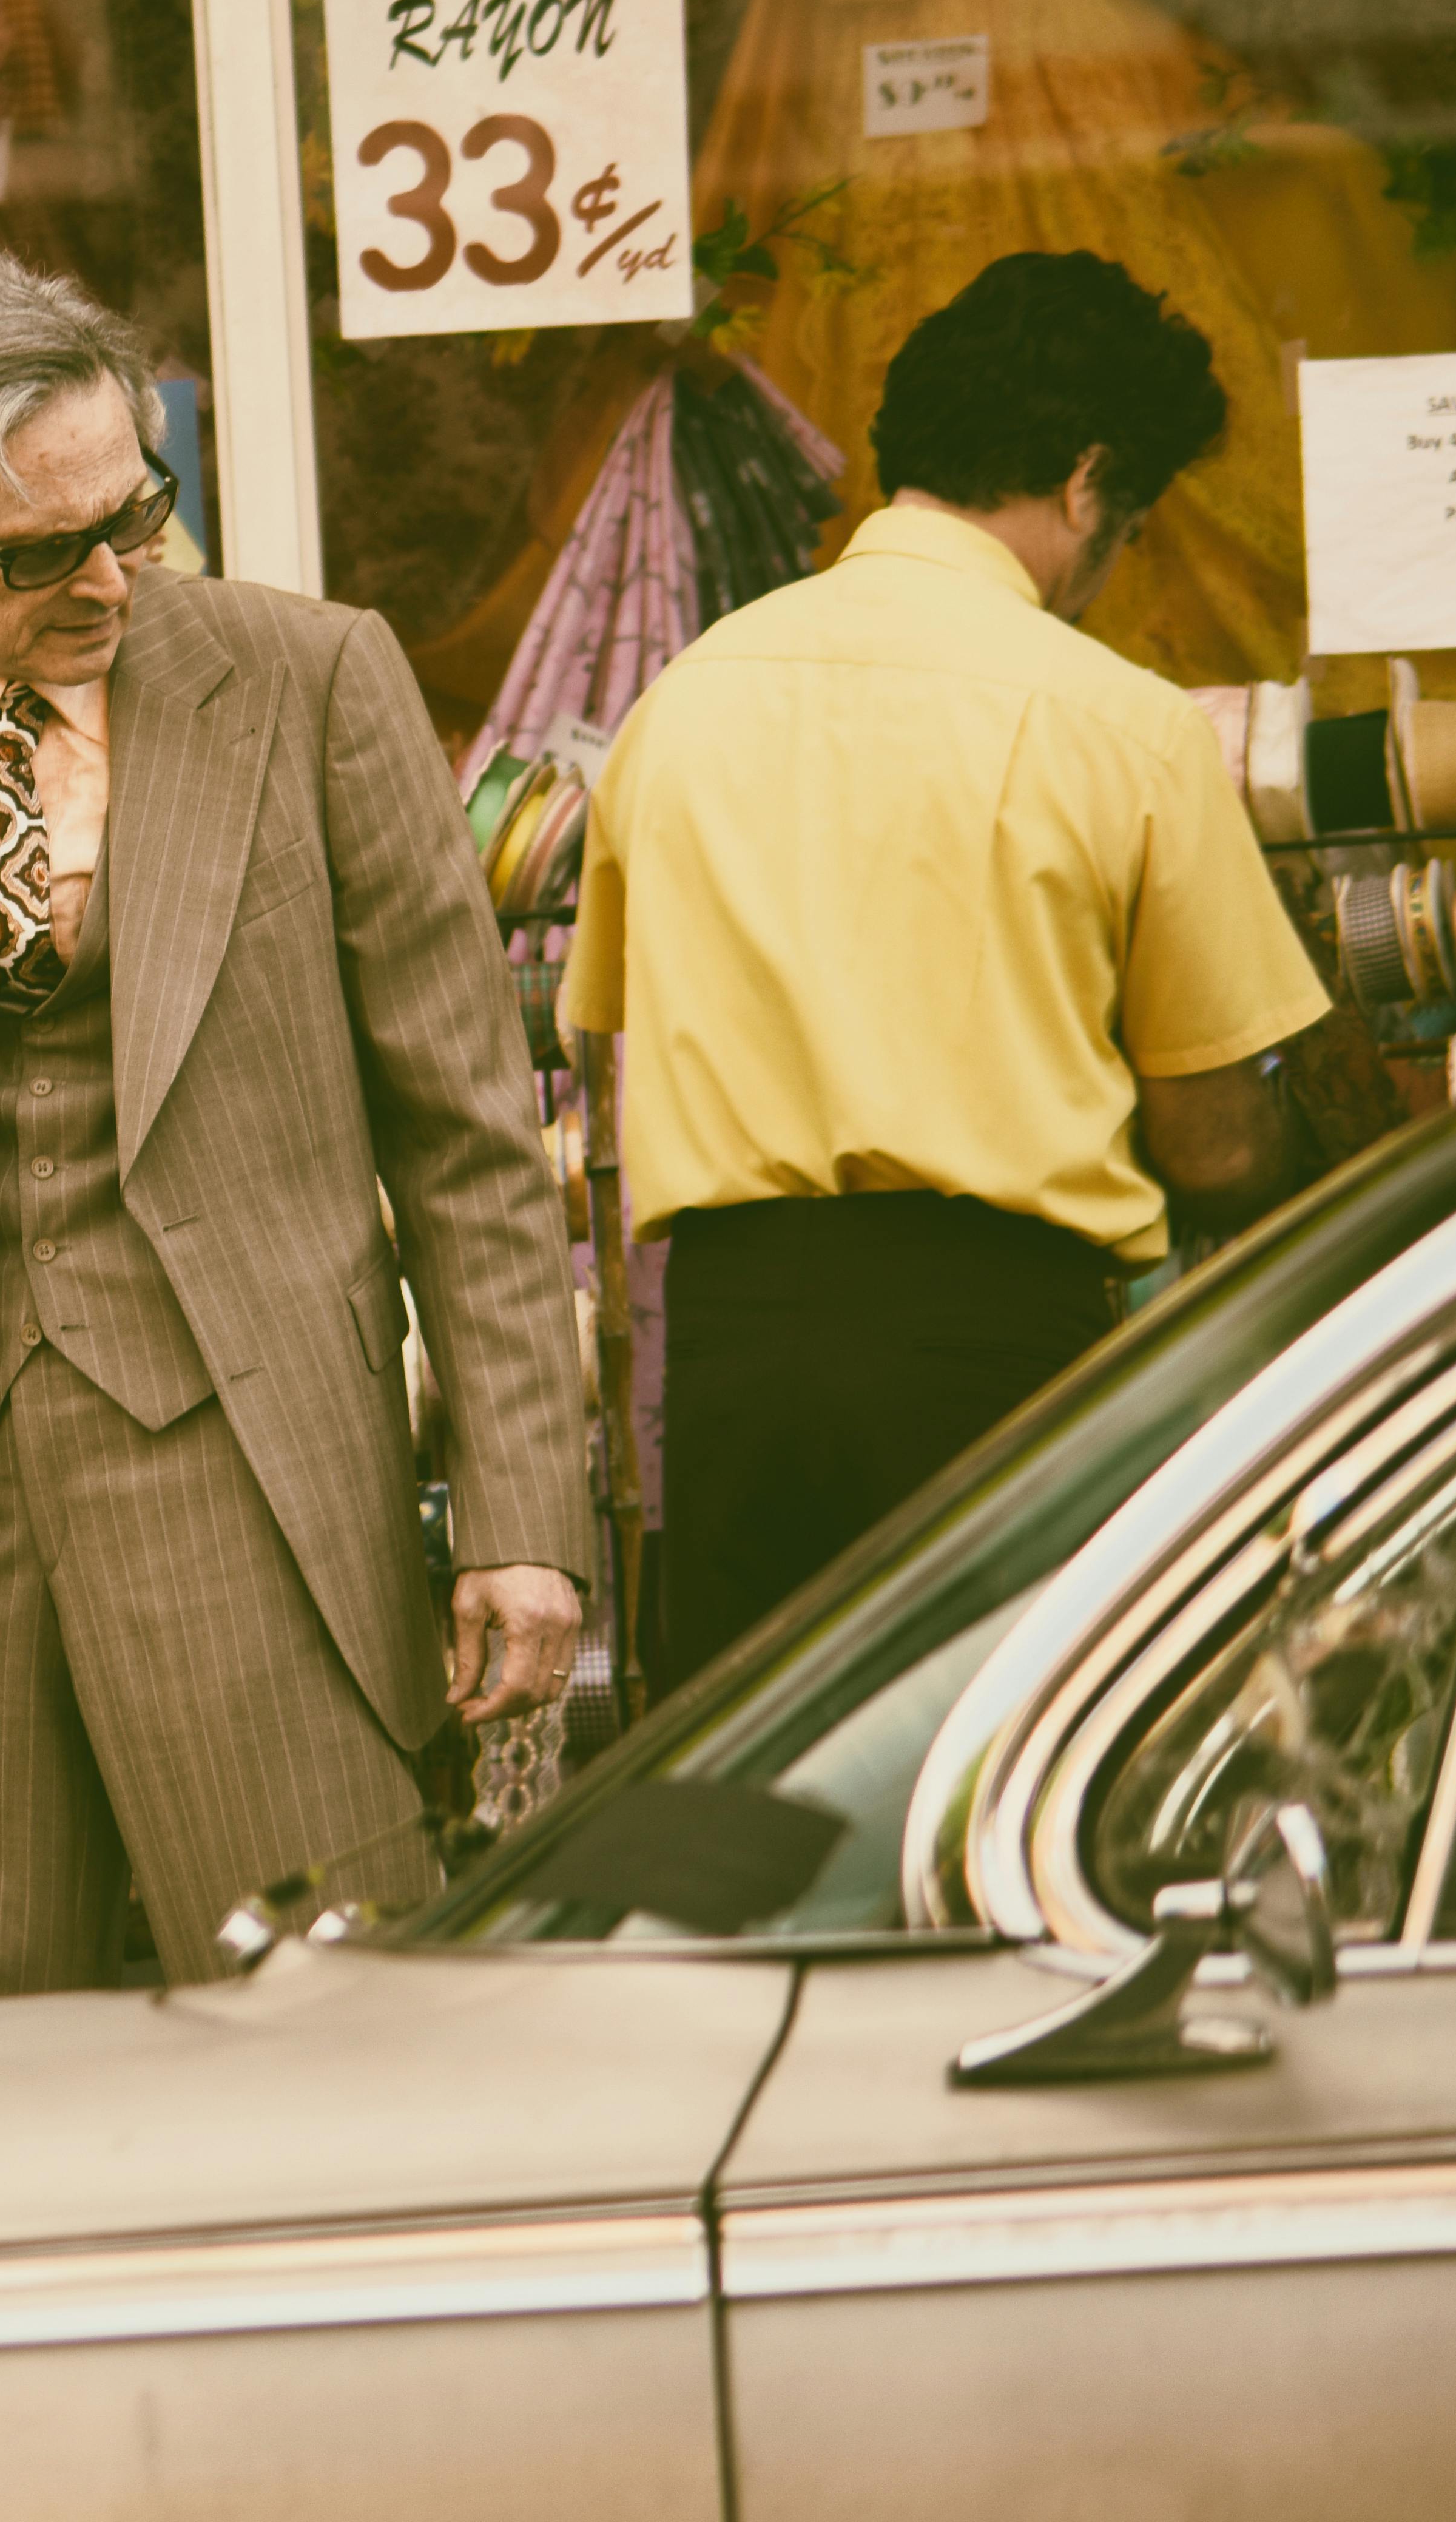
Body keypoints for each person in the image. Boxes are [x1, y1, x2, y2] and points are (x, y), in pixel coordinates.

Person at [0, 254, 598, 2001]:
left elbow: (474, 1139)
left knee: (329, 2048)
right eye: (40, 555)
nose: (108, 579)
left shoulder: (313, 680)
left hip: (251, 1492)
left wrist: (522, 1518)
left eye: (137, 514)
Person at [564, 251, 1383, 1699]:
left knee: (766, 1807)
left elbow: (614, 1039)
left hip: (730, 1362)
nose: (1105, 567)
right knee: (995, 1803)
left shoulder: (678, 704)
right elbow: (1212, 1138)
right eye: (1126, 525)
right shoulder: (1116, 723)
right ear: (1085, 481)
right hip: (997, 1354)